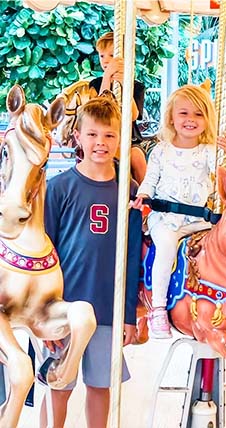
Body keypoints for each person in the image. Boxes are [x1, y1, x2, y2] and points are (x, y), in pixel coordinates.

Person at [40, 96, 142, 428]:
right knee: (58, 384)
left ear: (121, 138)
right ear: (78, 137)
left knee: (101, 386)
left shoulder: (129, 191)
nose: (101, 142)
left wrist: (127, 314)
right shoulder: (58, 188)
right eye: (93, 134)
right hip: (64, 308)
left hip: (106, 309)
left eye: (110, 135)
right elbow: (45, 255)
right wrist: (43, 316)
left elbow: (131, 259)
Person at [132, 84, 226, 339]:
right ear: (171, 116)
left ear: (207, 119)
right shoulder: (161, 150)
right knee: (167, 247)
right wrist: (144, 195)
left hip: (198, 218)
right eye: (184, 113)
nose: (190, 120)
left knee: (224, 247)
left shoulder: (209, 152)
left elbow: (225, 175)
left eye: (198, 114)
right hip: (166, 219)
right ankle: (158, 307)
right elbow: (150, 179)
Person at [91, 31, 147, 184]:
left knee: (137, 158)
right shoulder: (95, 85)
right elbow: (99, 111)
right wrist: (107, 77)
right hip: (101, 137)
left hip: (129, 139)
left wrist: (125, 84)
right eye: (102, 56)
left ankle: (146, 196)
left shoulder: (137, 87)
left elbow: (133, 115)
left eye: (110, 55)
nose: (105, 60)